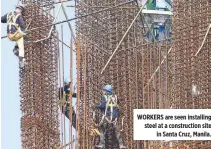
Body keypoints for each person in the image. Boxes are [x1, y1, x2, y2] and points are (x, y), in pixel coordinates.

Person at [1, 3, 26, 68]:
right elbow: (22, 26)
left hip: (9, 35)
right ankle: (21, 62)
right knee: (21, 45)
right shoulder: (19, 16)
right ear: (20, 10)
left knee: (18, 39)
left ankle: (15, 49)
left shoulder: (8, 14)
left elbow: (2, 20)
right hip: (15, 35)